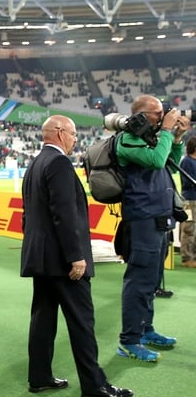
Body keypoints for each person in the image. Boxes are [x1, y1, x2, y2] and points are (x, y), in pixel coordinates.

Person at [20, 115, 132, 397]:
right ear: (59, 133)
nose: (74, 139)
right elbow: (65, 214)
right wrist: (76, 256)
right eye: (71, 134)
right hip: (63, 261)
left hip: (42, 259)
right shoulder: (58, 163)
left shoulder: (35, 163)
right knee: (82, 322)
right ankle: (95, 386)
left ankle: (39, 377)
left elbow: (30, 215)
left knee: (42, 319)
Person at [114, 94, 188, 362]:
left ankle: (146, 330)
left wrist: (176, 139)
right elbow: (157, 161)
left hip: (159, 217)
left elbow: (171, 165)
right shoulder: (128, 139)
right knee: (140, 280)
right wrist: (167, 129)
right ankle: (128, 340)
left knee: (152, 281)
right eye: (157, 112)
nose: (163, 115)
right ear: (142, 115)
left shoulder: (151, 138)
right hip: (142, 218)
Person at [179, 136, 196, 268]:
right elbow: (187, 181)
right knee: (189, 229)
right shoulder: (187, 162)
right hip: (190, 200)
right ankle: (187, 258)